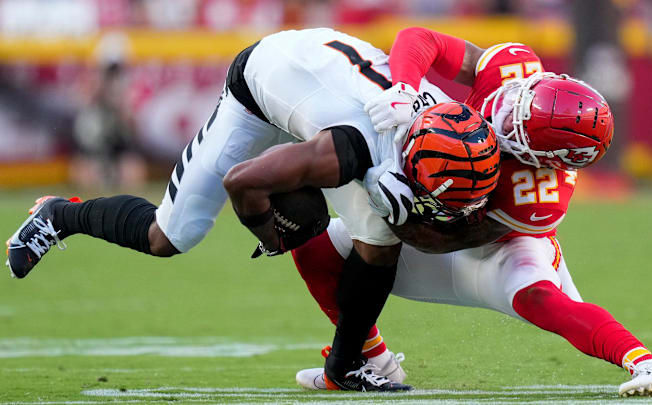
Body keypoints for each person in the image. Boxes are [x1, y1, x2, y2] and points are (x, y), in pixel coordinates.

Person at [5, 28, 502, 392]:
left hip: (325, 78)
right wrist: (270, 234)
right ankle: (58, 215)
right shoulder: (348, 149)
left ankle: (345, 367)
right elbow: (243, 182)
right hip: (261, 85)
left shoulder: (448, 121)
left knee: (382, 235)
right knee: (169, 235)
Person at [291, 27, 652, 397]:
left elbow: (443, 240)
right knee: (312, 246)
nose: (501, 112)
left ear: (544, 160)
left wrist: (392, 204)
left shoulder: (537, 195)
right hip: (440, 202)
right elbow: (419, 39)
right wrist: (404, 89)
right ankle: (372, 361)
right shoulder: (512, 69)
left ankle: (649, 364)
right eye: (521, 101)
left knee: (539, 297)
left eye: (517, 125)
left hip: (492, 242)